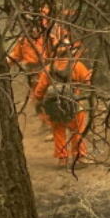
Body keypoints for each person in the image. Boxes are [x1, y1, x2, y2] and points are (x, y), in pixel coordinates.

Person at [30, 36, 93, 166]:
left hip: (54, 105)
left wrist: (41, 102)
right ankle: (80, 157)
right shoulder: (77, 65)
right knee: (77, 131)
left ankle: (62, 159)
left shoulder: (48, 68)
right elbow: (88, 83)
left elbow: (39, 91)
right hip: (74, 104)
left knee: (58, 131)